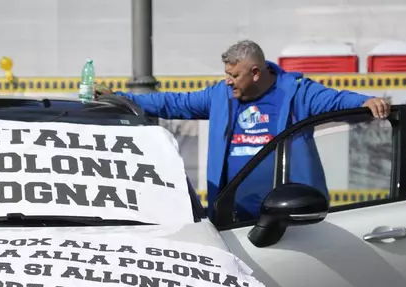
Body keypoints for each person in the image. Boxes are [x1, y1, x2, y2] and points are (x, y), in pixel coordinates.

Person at [95, 40, 391, 220]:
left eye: (234, 75)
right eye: (226, 73)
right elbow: (173, 102)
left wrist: (366, 101)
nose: (228, 81)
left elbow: (335, 100)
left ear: (256, 73)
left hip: (284, 217)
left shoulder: (297, 92)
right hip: (230, 216)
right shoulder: (219, 96)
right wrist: (124, 99)